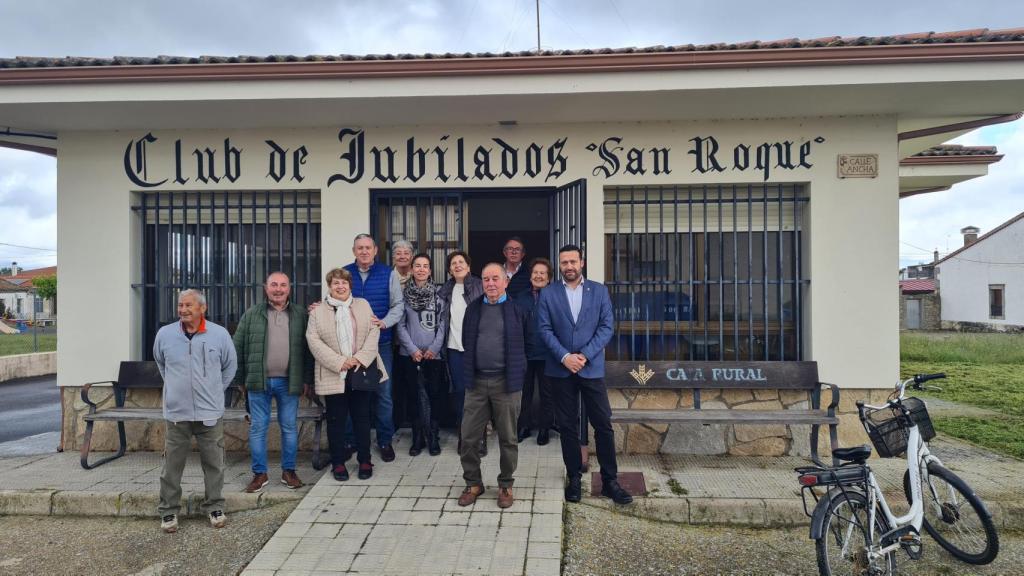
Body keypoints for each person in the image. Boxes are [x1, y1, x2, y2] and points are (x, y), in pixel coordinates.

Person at [537, 245, 633, 505]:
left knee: (603, 424)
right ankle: (574, 478)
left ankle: (610, 481)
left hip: (590, 369)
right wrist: (565, 357)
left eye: (573, 261)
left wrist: (584, 355)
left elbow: (606, 327)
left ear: (582, 262)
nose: (569, 266)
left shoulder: (599, 291)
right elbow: (544, 330)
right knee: (567, 426)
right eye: (564, 262)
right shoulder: (548, 293)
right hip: (560, 369)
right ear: (560, 265)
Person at [153, 289, 238, 533]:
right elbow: (162, 364)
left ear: (203, 308)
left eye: (189, 305)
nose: (183, 310)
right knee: (172, 465)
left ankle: (214, 506)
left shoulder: (219, 335)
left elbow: (230, 367)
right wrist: (175, 389)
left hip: (210, 412)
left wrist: (214, 390)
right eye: (180, 305)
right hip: (177, 414)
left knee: (214, 463)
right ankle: (168, 511)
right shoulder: (165, 334)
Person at [456, 263, 529, 509]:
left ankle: (506, 484)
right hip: (476, 383)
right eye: (486, 279)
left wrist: (517, 374)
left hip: (506, 384)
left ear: (505, 281)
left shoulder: (517, 310)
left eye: (495, 278)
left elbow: (525, 345)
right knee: (468, 437)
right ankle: (473, 483)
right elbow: (467, 340)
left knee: (508, 438)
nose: (490, 283)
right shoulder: (473, 309)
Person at [306, 268, 389, 481]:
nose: (340, 286)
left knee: (362, 419)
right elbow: (313, 341)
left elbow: (374, 331)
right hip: (334, 373)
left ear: (350, 285)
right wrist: (341, 362)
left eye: (344, 283)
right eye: (336, 283)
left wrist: (359, 358)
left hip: (361, 370)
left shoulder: (363, 305)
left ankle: (364, 460)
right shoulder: (318, 311)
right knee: (336, 420)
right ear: (330, 286)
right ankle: (338, 463)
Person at [233, 271, 313, 493]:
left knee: (289, 427)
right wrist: (240, 379)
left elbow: (309, 351)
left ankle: (289, 472)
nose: (278, 289)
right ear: (265, 287)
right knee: (258, 428)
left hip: (290, 382)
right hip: (259, 382)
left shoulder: (300, 315)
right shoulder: (251, 314)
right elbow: (237, 348)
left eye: (283, 285)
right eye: (274, 285)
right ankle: (260, 474)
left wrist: (307, 379)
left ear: (290, 288)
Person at [343, 233, 403, 462]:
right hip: (352, 346)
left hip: (382, 344)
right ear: (354, 251)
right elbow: (335, 300)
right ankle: (351, 440)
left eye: (368, 247)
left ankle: (385, 441)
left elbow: (398, 305)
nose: (364, 252)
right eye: (360, 248)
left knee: (384, 394)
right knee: (351, 392)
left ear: (376, 250)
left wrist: (385, 321)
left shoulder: (388, 273)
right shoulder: (345, 273)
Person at [396, 253, 448, 456]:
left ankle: (433, 437)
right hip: (409, 355)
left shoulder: (438, 295)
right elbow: (400, 326)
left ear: (430, 271)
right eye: (417, 265)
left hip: (433, 356)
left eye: (425, 266)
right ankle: (417, 438)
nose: (421, 269)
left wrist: (434, 348)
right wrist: (412, 350)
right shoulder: (403, 296)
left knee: (434, 396)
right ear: (411, 269)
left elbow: (443, 324)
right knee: (413, 397)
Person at [438, 250, 484, 448]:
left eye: (461, 262)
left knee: (479, 392)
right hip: (454, 348)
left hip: (477, 348)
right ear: (449, 269)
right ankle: (463, 435)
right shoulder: (444, 290)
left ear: (468, 266)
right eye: (453, 263)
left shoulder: (479, 286)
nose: (457, 265)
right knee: (459, 392)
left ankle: (480, 436)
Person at [514, 257, 555, 445]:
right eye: (535, 273)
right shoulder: (521, 298)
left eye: (542, 273)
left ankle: (545, 428)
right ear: (530, 276)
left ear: (549, 278)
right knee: (525, 392)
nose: (538, 276)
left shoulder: (555, 296)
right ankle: (524, 425)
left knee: (547, 393)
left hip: (548, 353)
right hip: (525, 352)